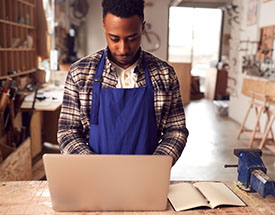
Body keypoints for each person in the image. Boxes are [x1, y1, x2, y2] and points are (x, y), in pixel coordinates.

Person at [57, 0, 188, 165]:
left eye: (132, 38)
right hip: (96, 178)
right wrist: (93, 166)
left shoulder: (164, 75)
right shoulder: (80, 73)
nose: (123, 49)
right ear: (104, 26)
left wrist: (155, 166)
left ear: (142, 27)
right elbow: (67, 132)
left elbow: (176, 132)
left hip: (147, 179)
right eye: (114, 38)